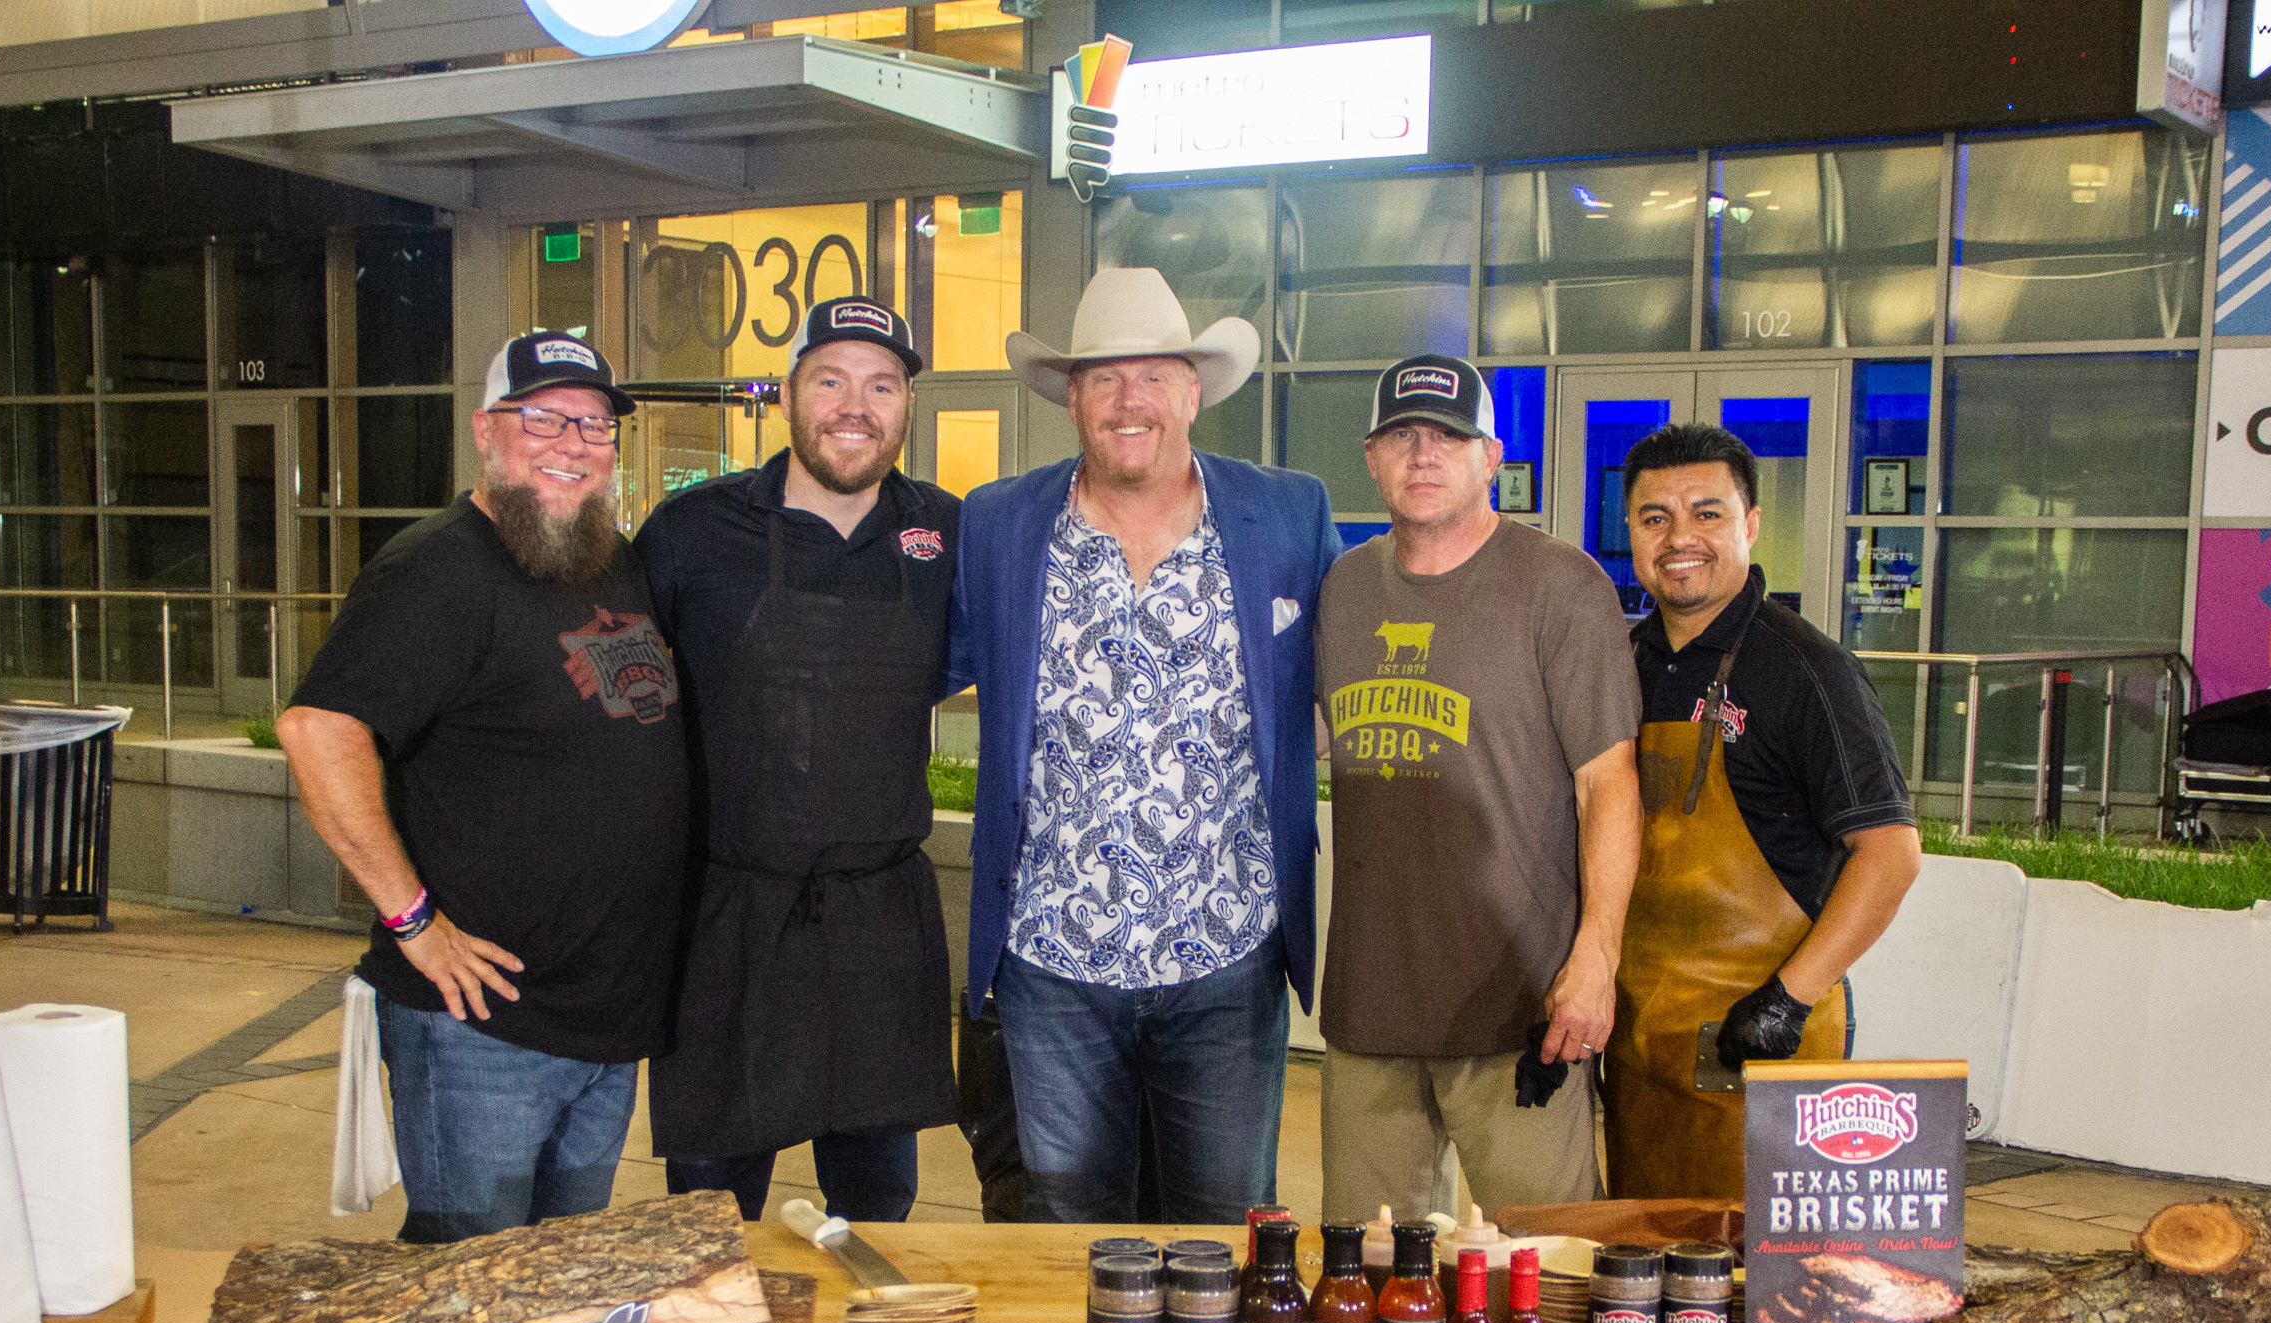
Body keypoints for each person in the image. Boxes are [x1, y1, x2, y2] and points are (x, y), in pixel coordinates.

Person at [950, 268, 1340, 1223]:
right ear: (1073, 397)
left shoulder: (1287, 516)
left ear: (1194, 389)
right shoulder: (1000, 523)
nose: (1131, 402)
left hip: (1227, 955)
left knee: (1222, 1232)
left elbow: (1366, 660)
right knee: (1068, 1236)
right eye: (1105, 379)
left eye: (1154, 376)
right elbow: (913, 662)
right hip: (1052, 961)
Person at [279, 332, 686, 1243]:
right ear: (484, 431)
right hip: (483, 1032)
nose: (571, 443)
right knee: (469, 1290)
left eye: (592, 424)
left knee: (554, 1289)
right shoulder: (435, 570)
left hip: (603, 1025)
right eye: (541, 417)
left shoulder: (608, 558)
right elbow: (320, 730)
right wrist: (413, 923)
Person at [633, 298, 957, 1222]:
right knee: (708, 1225)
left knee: (878, 1219)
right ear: (788, 396)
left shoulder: (945, 534)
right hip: (728, 924)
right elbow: (615, 708)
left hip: (879, 924)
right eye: (831, 380)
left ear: (904, 408)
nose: (854, 405)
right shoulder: (691, 532)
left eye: (881, 385)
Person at [1312, 355, 1640, 1223]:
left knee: (1555, 1276)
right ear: (1372, 459)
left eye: (1449, 437)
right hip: (1369, 1012)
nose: (1425, 455)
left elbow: (1608, 784)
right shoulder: (1343, 589)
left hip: (1519, 1013)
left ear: (1491, 456)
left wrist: (1596, 958)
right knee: (1371, 1293)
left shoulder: (1560, 587)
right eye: (1403, 436)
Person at [1603, 421, 1922, 1200]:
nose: (1681, 537)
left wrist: (1788, 1000)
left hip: (1762, 1044)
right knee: (1647, 1276)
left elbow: (1890, 852)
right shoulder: (1626, 663)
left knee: (1761, 1290)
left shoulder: (1807, 669)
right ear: (1632, 534)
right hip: (1642, 1039)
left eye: (1707, 513)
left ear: (1749, 524)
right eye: (1656, 518)